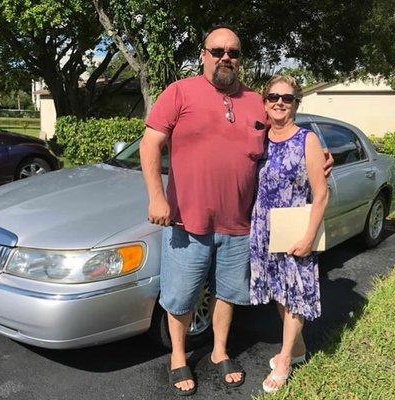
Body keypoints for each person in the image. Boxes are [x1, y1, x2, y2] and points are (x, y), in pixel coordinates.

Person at [140, 26, 333, 395]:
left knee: (227, 293)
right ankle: (178, 357)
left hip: (240, 224)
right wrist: (156, 196)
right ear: (203, 55)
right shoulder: (180, 91)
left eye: (232, 52)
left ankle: (219, 351)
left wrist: (322, 156)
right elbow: (150, 143)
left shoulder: (253, 102)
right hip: (186, 219)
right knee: (181, 295)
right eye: (217, 51)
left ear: (239, 58)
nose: (225, 57)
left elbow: (283, 138)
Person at [249, 75, 329, 393]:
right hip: (262, 229)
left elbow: (321, 194)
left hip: (294, 229)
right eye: (273, 96)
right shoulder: (258, 138)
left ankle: (283, 360)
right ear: (264, 101)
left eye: (287, 97)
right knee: (279, 294)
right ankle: (297, 349)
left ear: (296, 103)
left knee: (294, 293)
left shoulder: (306, 140)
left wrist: (309, 236)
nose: (279, 102)